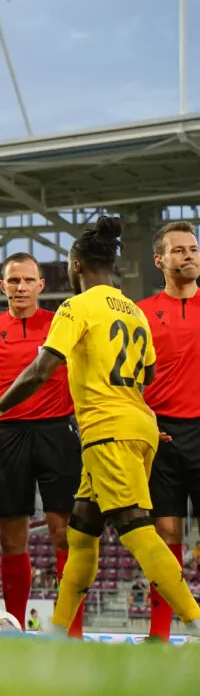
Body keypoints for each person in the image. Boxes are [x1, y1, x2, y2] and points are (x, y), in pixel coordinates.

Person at [0, 215, 200, 639]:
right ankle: (59, 632)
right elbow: (148, 375)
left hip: (108, 429)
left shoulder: (75, 308)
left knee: (136, 528)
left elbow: (41, 369)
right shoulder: (134, 309)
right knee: (82, 530)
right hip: (138, 424)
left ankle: (194, 621)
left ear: (75, 266)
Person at [0, 254, 82, 634]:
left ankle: (71, 630)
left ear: (41, 285)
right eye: (13, 280)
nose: (20, 287)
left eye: (28, 280)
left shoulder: (61, 325)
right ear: (2, 285)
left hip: (57, 432)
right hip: (11, 434)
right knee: (11, 534)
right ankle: (14, 627)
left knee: (63, 530)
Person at [137, 221, 200, 640]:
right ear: (159, 260)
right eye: (178, 250)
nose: (189, 256)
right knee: (166, 535)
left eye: (193, 249)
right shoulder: (140, 314)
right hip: (160, 434)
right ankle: (160, 635)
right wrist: (142, 419)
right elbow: (125, 377)